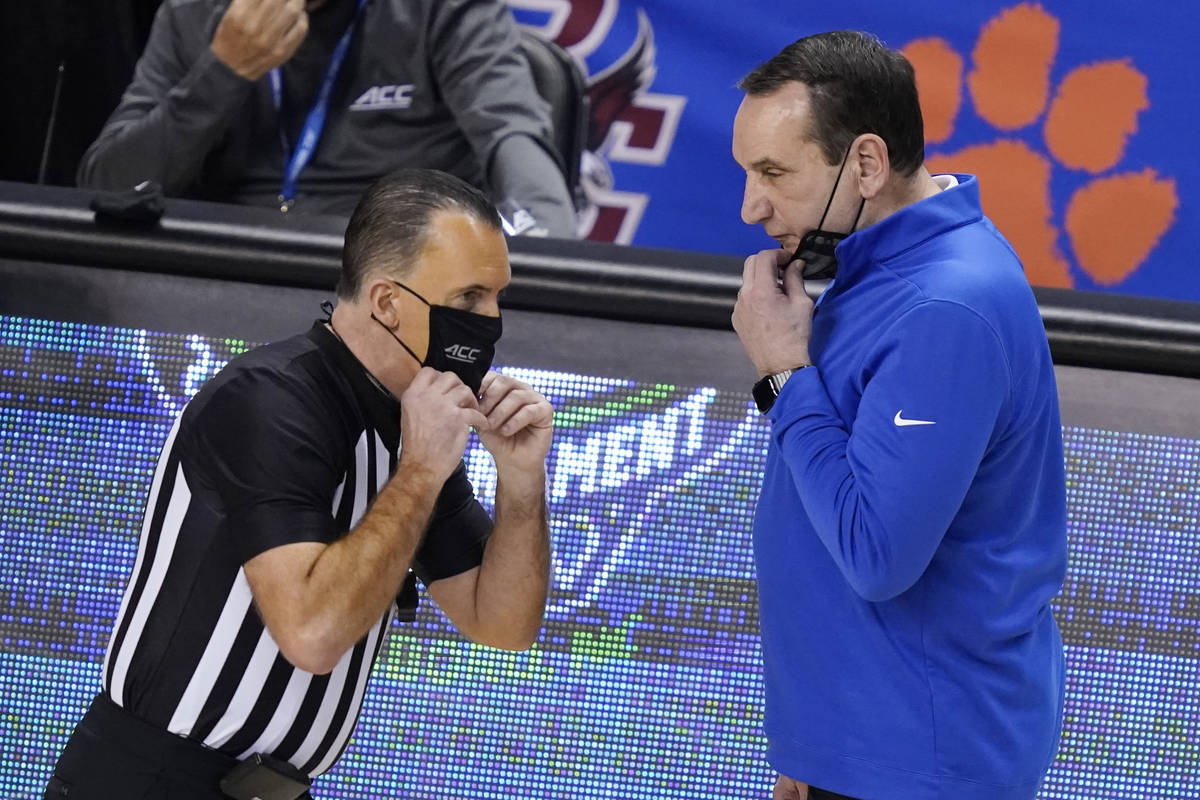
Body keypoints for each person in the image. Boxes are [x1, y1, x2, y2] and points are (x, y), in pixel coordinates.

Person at [44, 168, 553, 797]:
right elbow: (312, 634)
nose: (491, 322)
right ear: (387, 302)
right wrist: (421, 471)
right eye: (469, 299)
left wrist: (522, 480)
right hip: (153, 780)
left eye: (499, 298)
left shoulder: (410, 425)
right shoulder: (270, 401)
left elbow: (503, 625)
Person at [730, 31, 1067, 800]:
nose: (751, 206)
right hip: (864, 748)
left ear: (868, 165)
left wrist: (782, 373)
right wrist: (816, 747)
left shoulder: (943, 307)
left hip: (920, 764)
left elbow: (877, 553)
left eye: (774, 173)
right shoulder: (882, 268)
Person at [76, 0, 577, 237]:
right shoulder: (192, 16)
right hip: (230, 272)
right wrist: (221, 73)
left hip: (395, 274)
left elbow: (514, 138)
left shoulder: (441, 10)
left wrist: (548, 266)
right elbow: (108, 187)